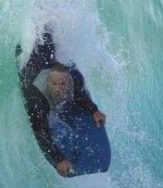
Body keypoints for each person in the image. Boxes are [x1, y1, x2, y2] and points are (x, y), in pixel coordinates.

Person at [18, 29, 107, 177]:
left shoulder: (74, 78)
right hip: (30, 67)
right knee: (33, 52)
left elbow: (81, 95)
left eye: (62, 84)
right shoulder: (36, 96)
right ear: (48, 82)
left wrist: (94, 111)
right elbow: (40, 131)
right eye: (54, 84)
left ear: (68, 81)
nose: (59, 89)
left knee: (47, 37)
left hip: (46, 58)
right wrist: (59, 159)